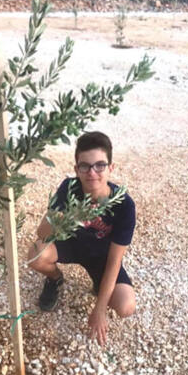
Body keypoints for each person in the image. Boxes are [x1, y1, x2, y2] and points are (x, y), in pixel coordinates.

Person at [27, 131, 136, 345]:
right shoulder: (69, 188)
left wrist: (100, 309)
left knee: (126, 306)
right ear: (77, 169)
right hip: (71, 245)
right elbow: (42, 234)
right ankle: (55, 279)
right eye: (85, 166)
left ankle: (99, 286)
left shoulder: (124, 204)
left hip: (102, 258)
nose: (92, 172)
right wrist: (65, 215)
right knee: (35, 255)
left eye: (100, 165)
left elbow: (115, 261)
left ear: (111, 168)